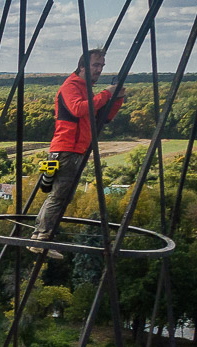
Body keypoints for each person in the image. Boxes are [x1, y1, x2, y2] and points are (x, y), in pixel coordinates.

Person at [30, 49, 127, 260]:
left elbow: (102, 117)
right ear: (82, 66)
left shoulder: (84, 89)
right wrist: (107, 93)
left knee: (58, 193)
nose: (99, 70)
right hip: (66, 150)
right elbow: (78, 109)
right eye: (95, 65)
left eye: (102, 66)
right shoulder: (71, 86)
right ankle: (40, 239)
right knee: (59, 195)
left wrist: (116, 99)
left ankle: (39, 235)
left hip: (66, 150)